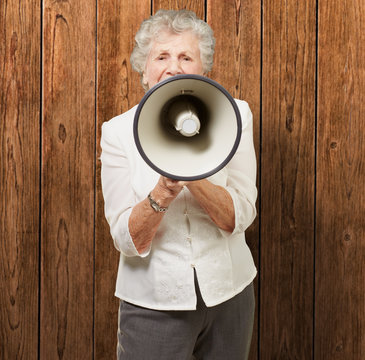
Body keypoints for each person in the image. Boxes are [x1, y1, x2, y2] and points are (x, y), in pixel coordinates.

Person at [100, 9, 257, 360]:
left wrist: (193, 175)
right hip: (153, 304)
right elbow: (125, 240)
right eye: (162, 56)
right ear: (145, 67)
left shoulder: (236, 116)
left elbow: (241, 215)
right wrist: (163, 192)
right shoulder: (117, 132)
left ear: (204, 68)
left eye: (186, 56)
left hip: (229, 296)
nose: (174, 67)